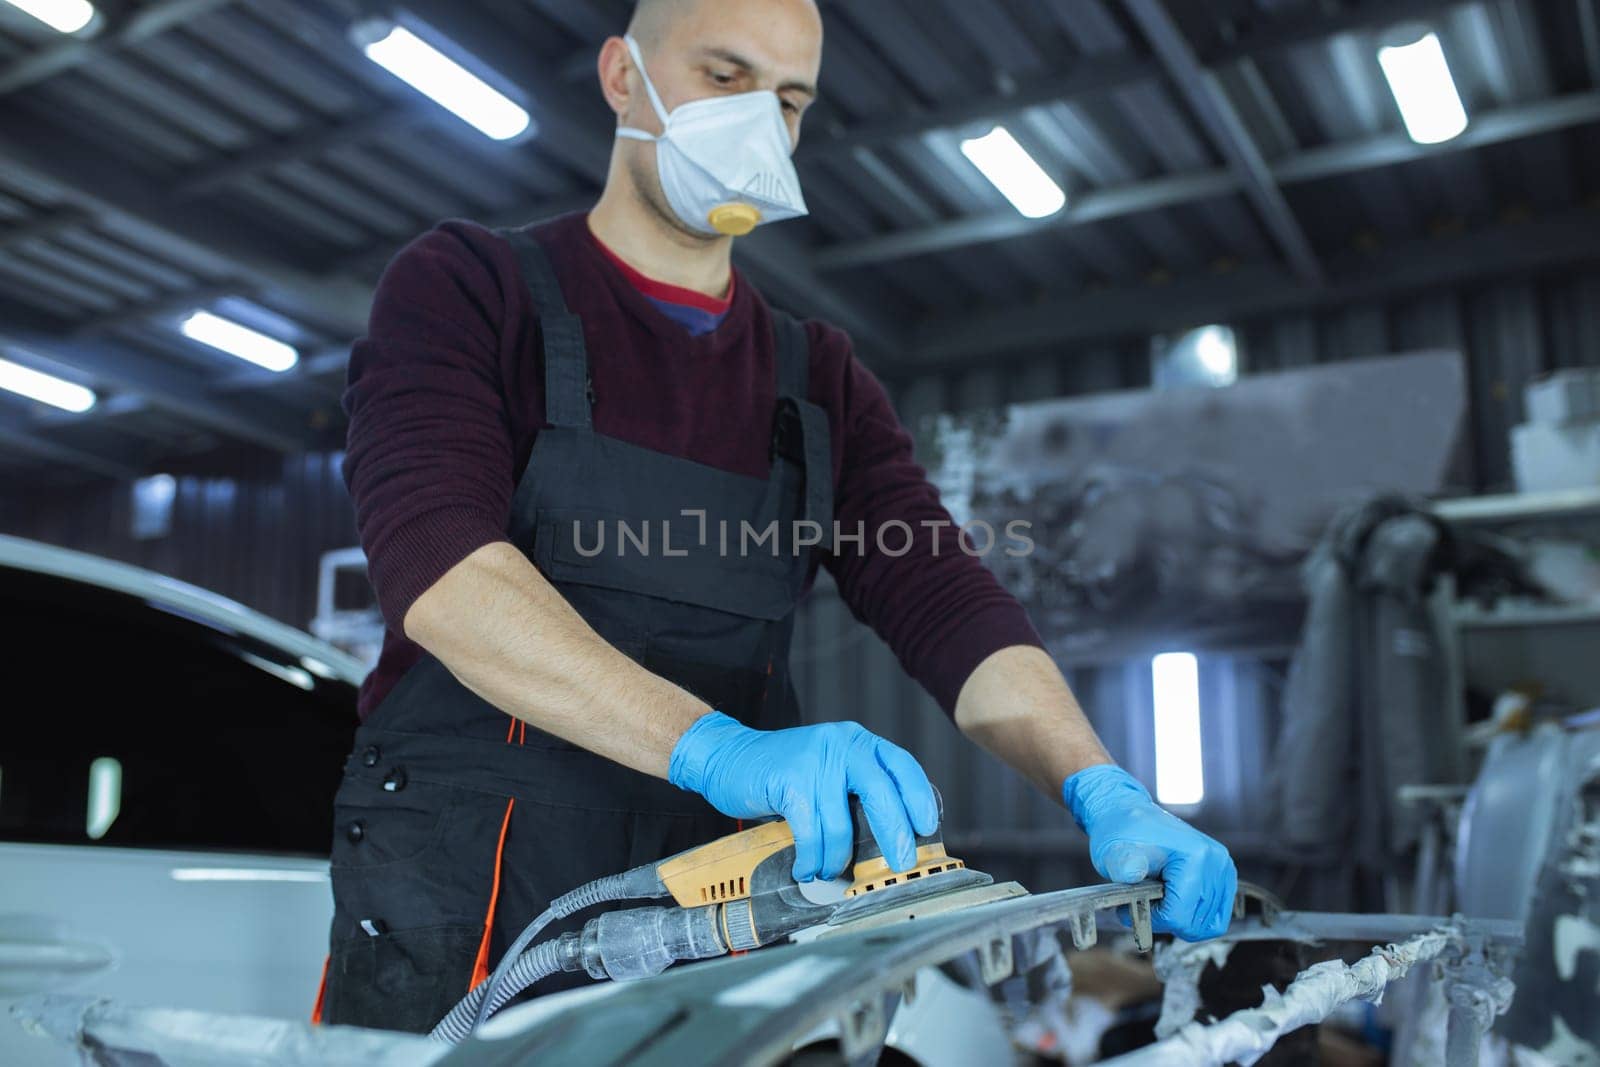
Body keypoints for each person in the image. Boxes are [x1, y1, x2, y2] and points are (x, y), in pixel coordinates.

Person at [319, 0, 1237, 1033]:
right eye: (723, 76)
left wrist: (1097, 782)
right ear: (623, 76)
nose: (759, 121)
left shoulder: (817, 377)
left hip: (724, 880)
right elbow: (443, 574)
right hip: (471, 878)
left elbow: (945, 599)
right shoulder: (471, 288)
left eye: (788, 98)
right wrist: (724, 749)